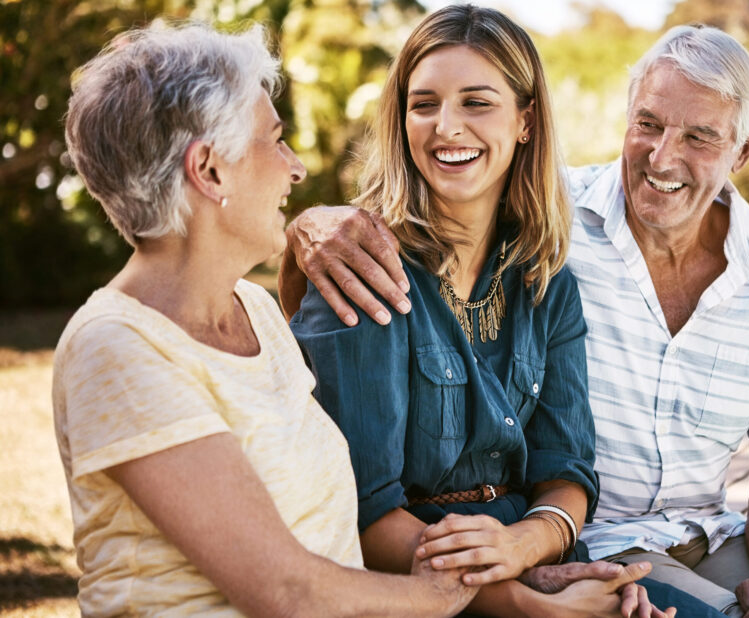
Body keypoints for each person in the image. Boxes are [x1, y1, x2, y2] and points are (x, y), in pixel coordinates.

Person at [278, 21, 749, 618]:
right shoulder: (485, 238)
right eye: (648, 124)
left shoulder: (547, 263)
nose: (663, 156)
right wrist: (307, 226)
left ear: (743, 149)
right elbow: (362, 508)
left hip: (675, 536)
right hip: (583, 546)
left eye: (700, 136)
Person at [53, 20, 480, 617]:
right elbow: (285, 592)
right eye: (274, 140)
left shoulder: (253, 309)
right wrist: (438, 596)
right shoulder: (116, 348)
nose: (296, 167)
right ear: (209, 171)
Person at [287, 5, 700, 617]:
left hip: (535, 560)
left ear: (525, 121)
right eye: (424, 104)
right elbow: (364, 513)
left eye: (475, 103)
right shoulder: (363, 267)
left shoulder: (544, 278)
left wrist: (530, 547)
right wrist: (522, 602)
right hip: (417, 586)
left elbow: (567, 468)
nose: (446, 127)